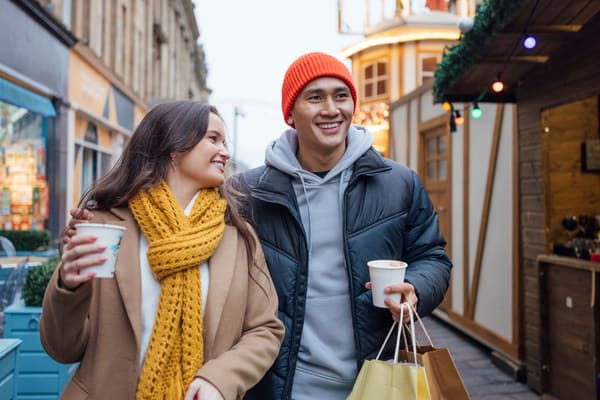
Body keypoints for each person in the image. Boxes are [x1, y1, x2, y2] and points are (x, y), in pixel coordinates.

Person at [230, 52, 453, 399]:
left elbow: (433, 257)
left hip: (380, 381)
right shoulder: (249, 193)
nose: (331, 109)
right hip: (283, 386)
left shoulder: (400, 183)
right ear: (290, 113)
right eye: (315, 97)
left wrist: (416, 289)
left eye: (341, 95)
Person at [39, 101, 284, 400]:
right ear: (174, 146)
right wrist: (69, 285)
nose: (225, 152)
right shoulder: (104, 226)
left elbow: (265, 330)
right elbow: (62, 348)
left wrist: (221, 379)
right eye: (213, 139)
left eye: (225, 142)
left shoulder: (239, 238)